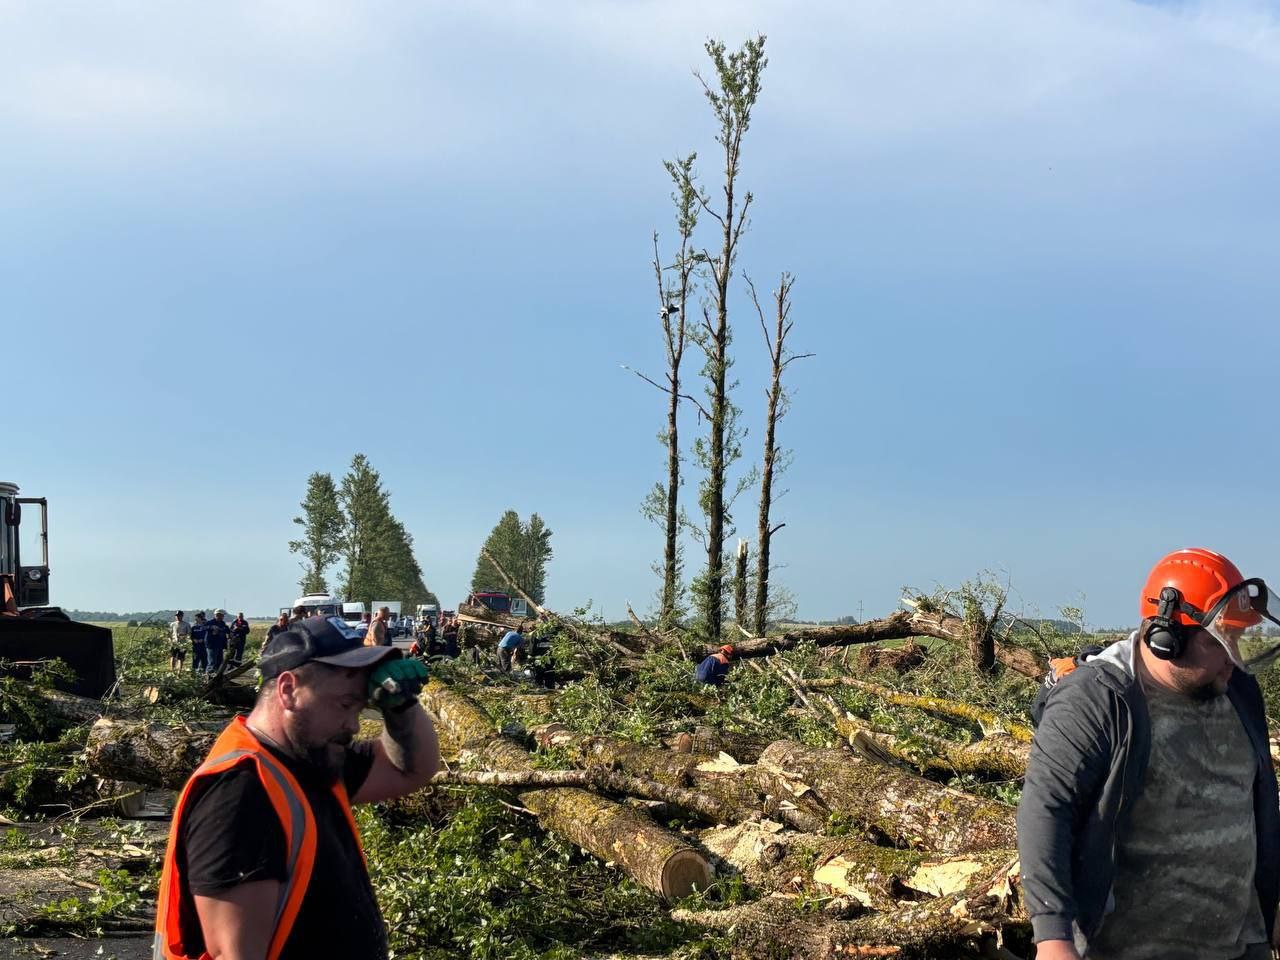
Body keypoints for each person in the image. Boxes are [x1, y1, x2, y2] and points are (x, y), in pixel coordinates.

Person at [1018, 548, 1280, 960]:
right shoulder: (1098, 699)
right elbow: (1047, 809)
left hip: (1238, 943)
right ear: (1167, 638)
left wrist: (1273, 903)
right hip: (1126, 948)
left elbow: (1257, 802)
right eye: (1223, 642)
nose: (1235, 659)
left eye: (1239, 639)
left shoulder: (1239, 691)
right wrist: (1053, 939)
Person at [153, 615, 438, 959]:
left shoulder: (313, 759)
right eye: (346, 705)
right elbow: (237, 955)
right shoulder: (242, 793)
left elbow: (408, 770)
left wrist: (401, 706)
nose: (353, 725)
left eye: (361, 708)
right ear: (288, 690)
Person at [204, 609, 232, 675]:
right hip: (212, 645)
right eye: (221, 615)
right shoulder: (210, 622)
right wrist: (212, 627)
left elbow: (227, 630)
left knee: (219, 662)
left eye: (223, 616)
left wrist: (231, 634)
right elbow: (204, 627)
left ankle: (217, 676)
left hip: (220, 645)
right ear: (217, 615)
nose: (222, 617)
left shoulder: (222, 623)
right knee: (212, 662)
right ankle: (209, 677)